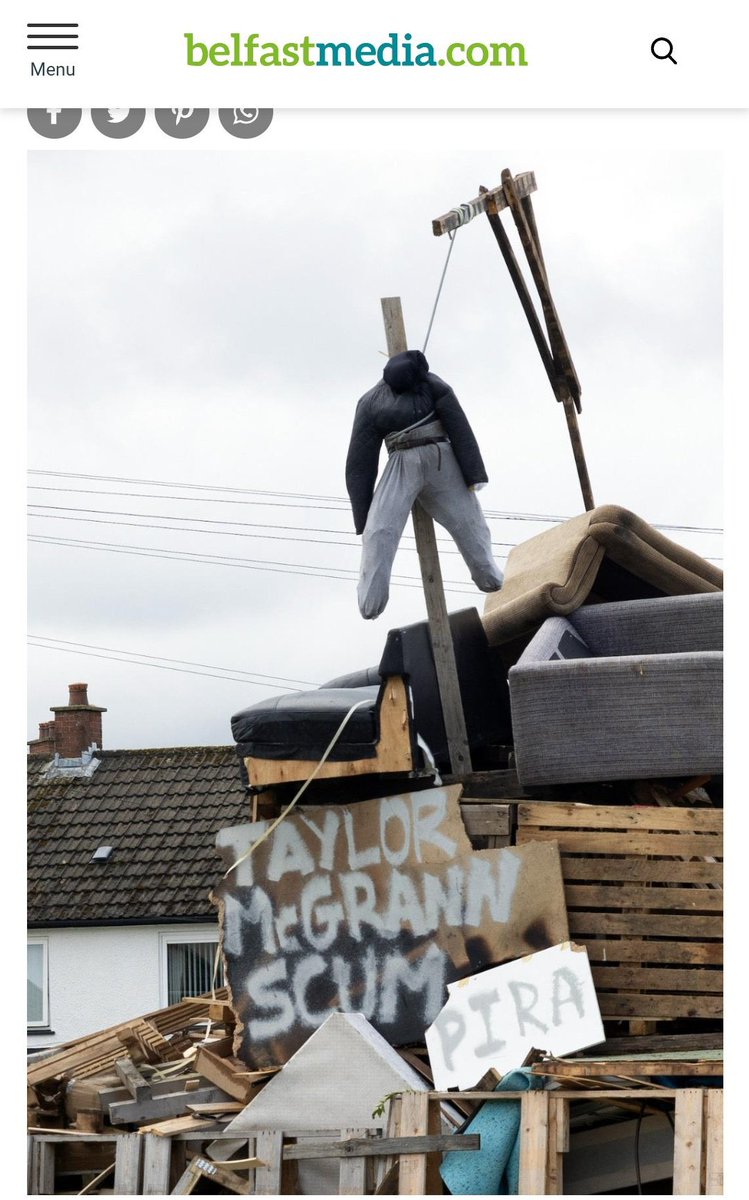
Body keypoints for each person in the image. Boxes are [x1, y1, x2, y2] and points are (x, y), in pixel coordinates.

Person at [346, 349, 504, 619]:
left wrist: (474, 473)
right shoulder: (372, 402)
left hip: (440, 457)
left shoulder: (434, 387)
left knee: (467, 520)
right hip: (401, 461)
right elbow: (360, 461)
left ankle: (488, 573)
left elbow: (459, 427)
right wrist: (363, 514)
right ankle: (370, 599)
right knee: (380, 529)